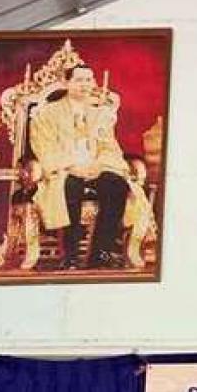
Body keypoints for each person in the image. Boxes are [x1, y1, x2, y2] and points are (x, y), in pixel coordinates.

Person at [29, 63, 148, 270]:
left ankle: (100, 252)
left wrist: (99, 165)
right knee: (70, 187)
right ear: (66, 82)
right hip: (63, 170)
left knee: (116, 184)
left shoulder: (100, 114)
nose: (85, 84)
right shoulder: (47, 113)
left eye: (88, 80)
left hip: (95, 167)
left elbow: (109, 147)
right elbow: (44, 147)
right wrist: (72, 165)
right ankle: (70, 255)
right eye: (79, 80)